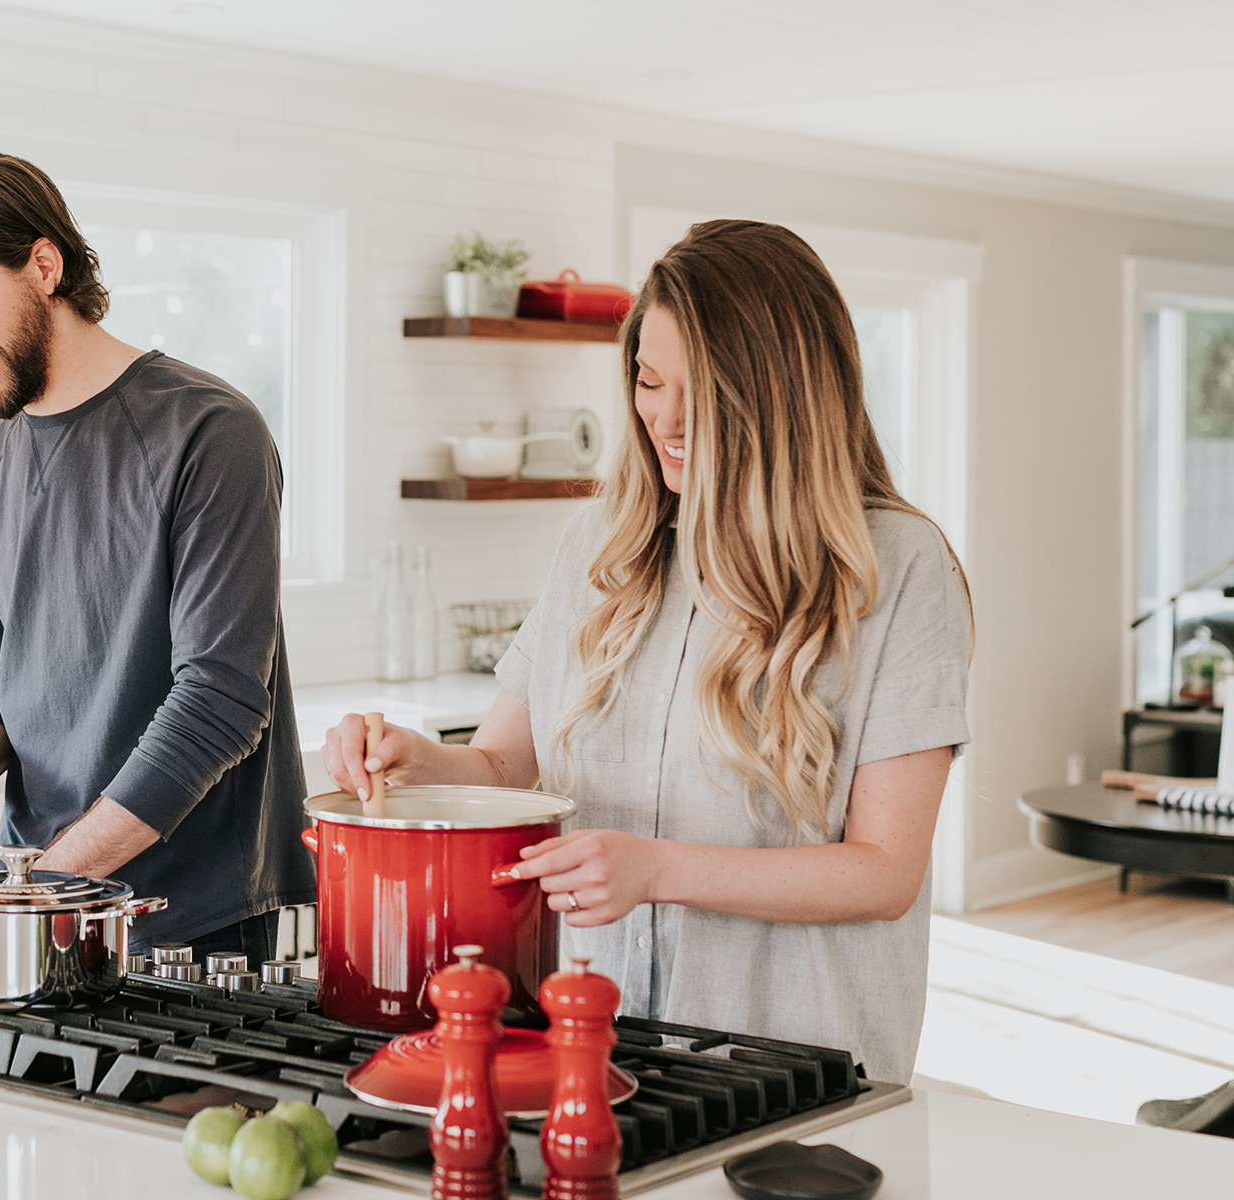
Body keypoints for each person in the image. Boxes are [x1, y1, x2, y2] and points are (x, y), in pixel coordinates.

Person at [324, 220, 971, 1083]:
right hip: (591, 1047)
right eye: (647, 380)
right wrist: (420, 764)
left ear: (784, 393)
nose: (664, 418)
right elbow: (507, 765)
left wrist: (658, 870)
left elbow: (884, 871)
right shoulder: (601, 544)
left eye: (698, 389)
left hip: (791, 1065)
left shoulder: (898, 569)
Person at [0, 153, 313, 966]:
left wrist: (35, 892)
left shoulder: (210, 432)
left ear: (45, 265)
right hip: (29, 899)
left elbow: (220, 702)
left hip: (187, 921)